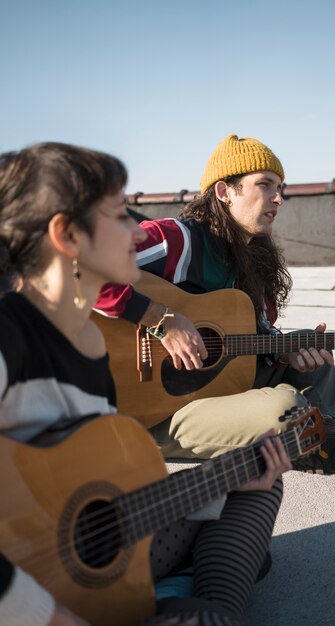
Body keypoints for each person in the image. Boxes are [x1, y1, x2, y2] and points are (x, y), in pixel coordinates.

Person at [0, 142, 291, 626]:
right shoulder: (10, 337)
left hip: (90, 548)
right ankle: (194, 600)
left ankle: (196, 604)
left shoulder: (89, 343)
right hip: (27, 592)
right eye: (120, 214)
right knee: (238, 551)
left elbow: (86, 492)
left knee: (258, 480)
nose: (138, 228)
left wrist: (219, 482)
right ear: (66, 234)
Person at [95, 133, 335, 483]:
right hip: (150, 412)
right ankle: (316, 427)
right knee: (284, 405)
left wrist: (285, 356)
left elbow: (250, 342)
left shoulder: (253, 265)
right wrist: (162, 319)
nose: (279, 198)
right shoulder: (177, 241)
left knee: (307, 345)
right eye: (265, 185)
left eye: (281, 187)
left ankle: (319, 425)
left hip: (216, 388)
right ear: (224, 192)